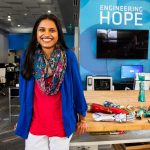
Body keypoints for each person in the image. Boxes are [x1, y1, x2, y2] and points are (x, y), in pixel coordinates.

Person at [15, 14, 87, 150]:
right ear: (36, 33)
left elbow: (77, 88)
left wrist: (82, 117)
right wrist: (23, 117)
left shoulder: (68, 56)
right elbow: (23, 91)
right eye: (42, 30)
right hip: (35, 123)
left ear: (58, 33)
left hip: (61, 123)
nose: (46, 34)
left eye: (52, 30)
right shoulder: (28, 55)